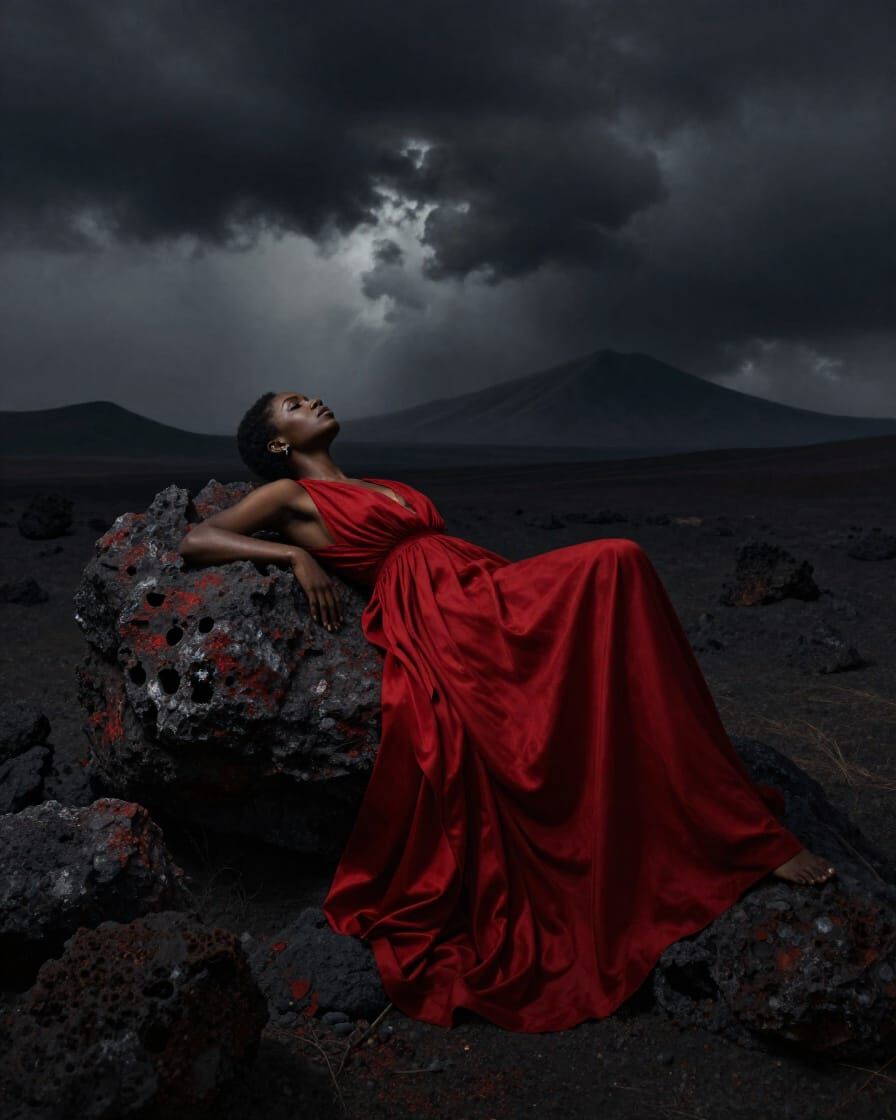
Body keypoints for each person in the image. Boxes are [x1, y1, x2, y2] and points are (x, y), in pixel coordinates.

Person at [179, 389, 837, 1033]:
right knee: (617, 561)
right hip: (442, 617)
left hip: (479, 583)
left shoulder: (379, 484)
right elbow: (198, 539)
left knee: (621, 579)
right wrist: (293, 554)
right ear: (278, 444)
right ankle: (734, 829)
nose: (314, 402)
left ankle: (716, 810)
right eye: (294, 406)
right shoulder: (288, 495)